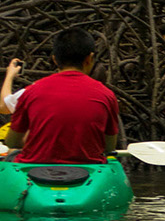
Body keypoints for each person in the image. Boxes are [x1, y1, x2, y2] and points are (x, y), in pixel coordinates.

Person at [5, 29, 121, 164]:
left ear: (54, 59)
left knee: (12, 152)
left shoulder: (31, 91)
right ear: (89, 58)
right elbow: (109, 146)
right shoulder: (107, 95)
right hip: (89, 168)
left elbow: (12, 141)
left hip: (36, 168)